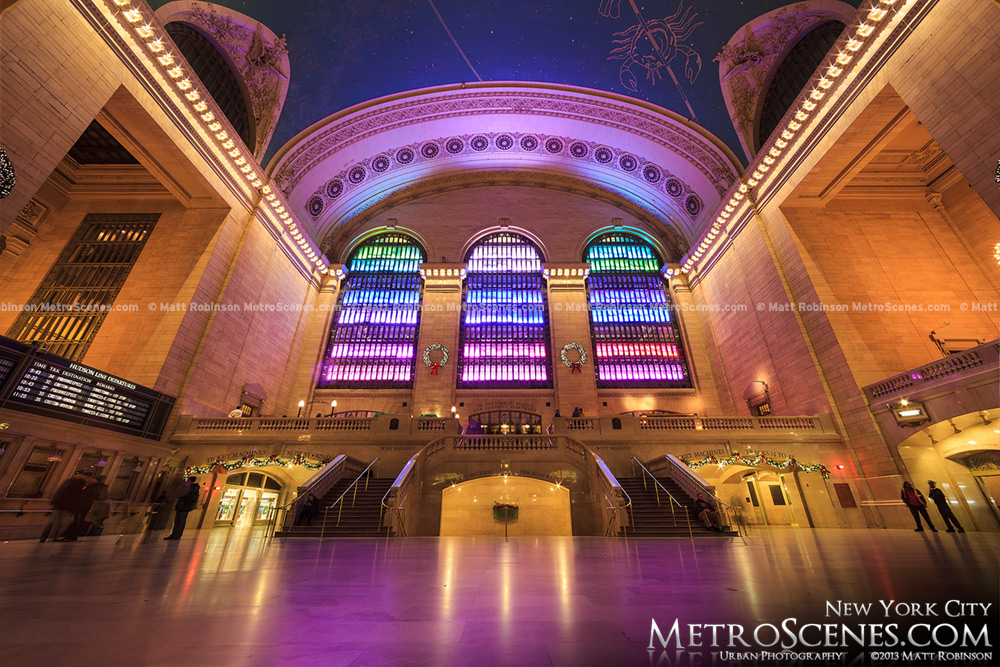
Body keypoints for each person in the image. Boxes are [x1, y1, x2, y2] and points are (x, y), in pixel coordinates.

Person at [39, 473, 86, 542]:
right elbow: (77, 498)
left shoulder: (68, 482)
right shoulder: (81, 486)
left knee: (52, 521)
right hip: (67, 506)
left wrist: (54, 502)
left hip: (59, 504)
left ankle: (44, 537)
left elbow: (60, 491)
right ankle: (54, 537)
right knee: (60, 522)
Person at [61, 474, 98, 541]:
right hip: (81, 507)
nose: (91, 479)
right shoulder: (89, 487)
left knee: (78, 522)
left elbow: (86, 498)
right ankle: (71, 536)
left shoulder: (92, 489)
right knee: (77, 522)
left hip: (82, 507)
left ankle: (73, 536)